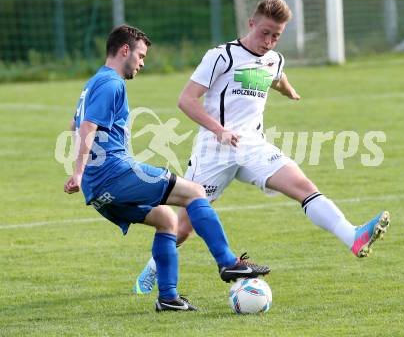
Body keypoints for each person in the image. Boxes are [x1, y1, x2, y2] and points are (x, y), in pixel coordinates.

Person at [136, 0, 390, 294]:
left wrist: (289, 90)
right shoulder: (221, 56)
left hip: (253, 145)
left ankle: (353, 236)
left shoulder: (275, 59)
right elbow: (185, 100)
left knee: (303, 187)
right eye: (264, 33)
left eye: (276, 36)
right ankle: (154, 267)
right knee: (183, 229)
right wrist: (219, 130)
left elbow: (276, 77)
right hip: (213, 149)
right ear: (251, 23)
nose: (268, 41)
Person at [63, 24, 270, 312]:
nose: (142, 63)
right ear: (125, 50)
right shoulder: (111, 83)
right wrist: (79, 171)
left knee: (167, 221)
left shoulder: (93, 83)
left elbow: (74, 125)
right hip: (115, 174)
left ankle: (168, 298)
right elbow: (87, 127)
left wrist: (85, 177)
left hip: (98, 189)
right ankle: (228, 263)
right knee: (195, 192)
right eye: (141, 55)